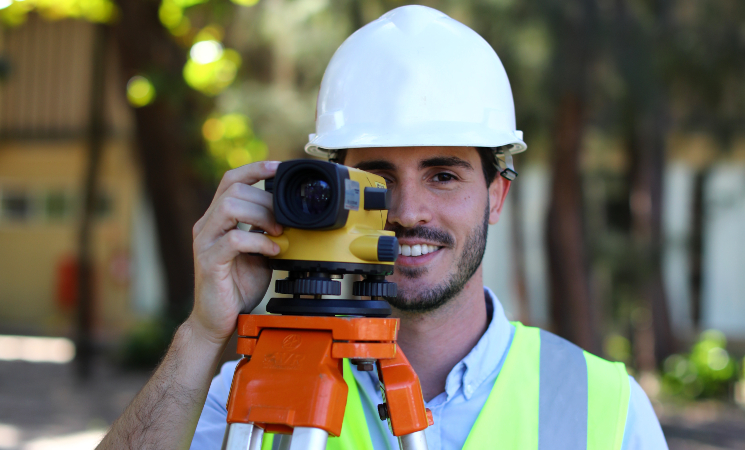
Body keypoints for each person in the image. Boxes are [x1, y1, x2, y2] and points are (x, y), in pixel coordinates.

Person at [98, 5, 668, 450]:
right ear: (325, 191)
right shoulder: (254, 393)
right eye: (376, 179)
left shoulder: (604, 405)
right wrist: (203, 332)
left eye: (443, 175)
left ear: (496, 196)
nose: (409, 210)